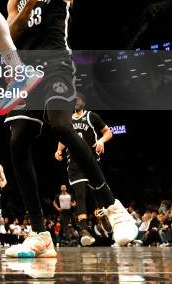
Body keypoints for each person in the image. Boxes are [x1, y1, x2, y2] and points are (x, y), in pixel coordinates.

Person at [4, 0, 138, 260]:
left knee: (61, 126)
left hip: (56, 67)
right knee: (18, 141)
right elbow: (10, 34)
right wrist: (31, 2)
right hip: (26, 74)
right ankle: (40, 235)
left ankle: (112, 207)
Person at [54, 92, 113, 246]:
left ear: (84, 102)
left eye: (78, 99)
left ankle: (103, 215)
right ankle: (84, 230)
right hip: (74, 161)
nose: (75, 102)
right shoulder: (66, 120)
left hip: (92, 158)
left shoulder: (92, 116)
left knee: (97, 194)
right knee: (80, 194)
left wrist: (101, 140)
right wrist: (59, 150)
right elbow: (63, 139)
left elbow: (108, 132)